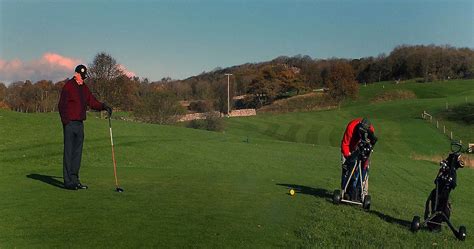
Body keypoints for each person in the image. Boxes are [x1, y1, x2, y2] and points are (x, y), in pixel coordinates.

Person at [58, 64, 112, 190]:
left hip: (80, 124)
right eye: (82, 76)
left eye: (84, 77)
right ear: (76, 74)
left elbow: (92, 102)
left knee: (77, 153)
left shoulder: (84, 88)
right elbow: (61, 106)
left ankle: (75, 180)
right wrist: (66, 122)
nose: (83, 79)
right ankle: (67, 181)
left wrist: (104, 106)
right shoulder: (68, 87)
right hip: (70, 124)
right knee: (68, 153)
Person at [340, 117, 377, 197]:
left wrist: (366, 154)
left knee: (364, 169)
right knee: (347, 170)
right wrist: (349, 156)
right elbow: (345, 144)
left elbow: (371, 144)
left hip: (362, 149)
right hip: (350, 148)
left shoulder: (371, 130)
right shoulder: (351, 127)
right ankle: (345, 192)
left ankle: (362, 194)